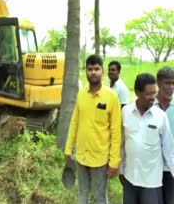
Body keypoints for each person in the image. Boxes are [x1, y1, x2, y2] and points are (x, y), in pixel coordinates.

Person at [65, 54, 121, 204]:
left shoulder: (111, 97)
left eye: (97, 69)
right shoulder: (81, 94)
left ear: (102, 71)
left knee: (100, 197)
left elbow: (116, 132)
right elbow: (74, 122)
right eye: (90, 69)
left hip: (100, 159)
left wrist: (114, 162)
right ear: (86, 72)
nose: (93, 72)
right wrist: (68, 148)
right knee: (82, 194)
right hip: (82, 156)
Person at [119, 73, 174, 204]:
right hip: (130, 178)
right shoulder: (126, 112)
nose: (153, 98)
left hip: (151, 182)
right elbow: (122, 143)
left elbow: (168, 149)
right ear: (138, 92)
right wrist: (121, 169)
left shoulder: (160, 116)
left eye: (154, 93)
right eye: (148, 94)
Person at [154, 67, 174, 204]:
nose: (171, 87)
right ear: (158, 83)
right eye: (167, 83)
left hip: (171, 168)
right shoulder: (149, 107)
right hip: (152, 167)